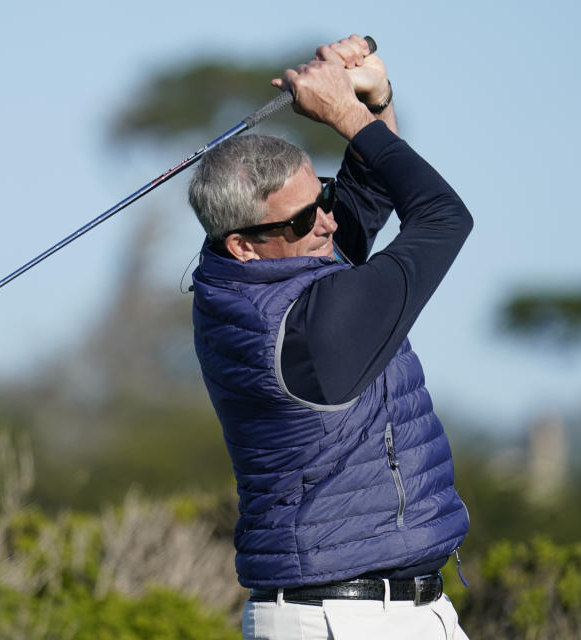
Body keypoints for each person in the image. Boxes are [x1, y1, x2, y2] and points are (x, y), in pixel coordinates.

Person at [187, 35, 473, 639]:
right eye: (302, 218)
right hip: (340, 619)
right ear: (243, 242)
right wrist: (344, 115)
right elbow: (445, 217)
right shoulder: (308, 330)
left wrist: (373, 101)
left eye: (320, 197)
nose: (326, 219)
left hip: (387, 610)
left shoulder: (264, 269)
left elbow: (368, 191)